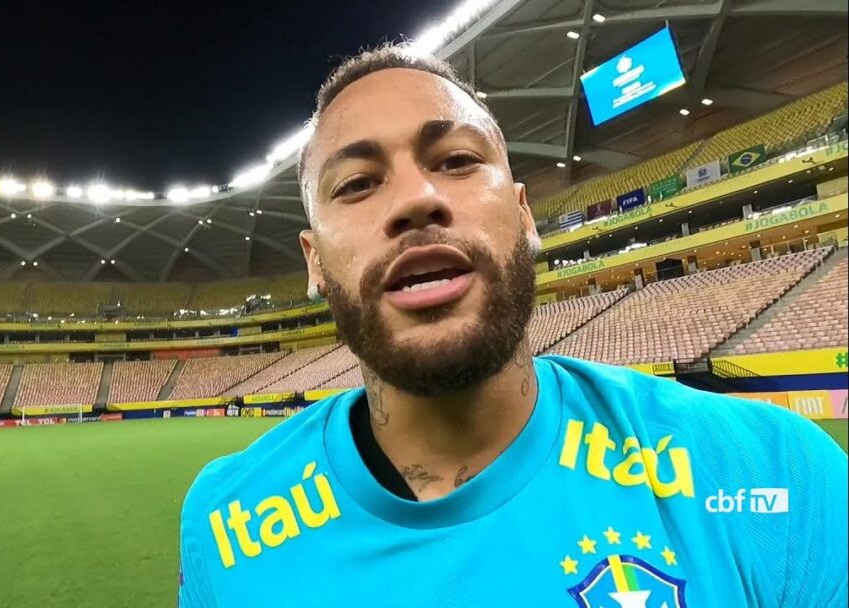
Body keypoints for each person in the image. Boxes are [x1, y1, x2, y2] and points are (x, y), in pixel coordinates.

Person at [178, 46, 848, 607]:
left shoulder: (776, 476)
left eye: (457, 161)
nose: (417, 199)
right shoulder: (225, 524)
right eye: (356, 183)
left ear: (525, 216)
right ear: (314, 261)